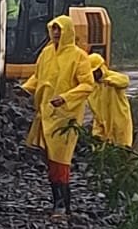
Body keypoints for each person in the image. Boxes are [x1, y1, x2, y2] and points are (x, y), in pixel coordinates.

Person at [21, 15, 94, 216]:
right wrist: (26, 88)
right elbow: (38, 76)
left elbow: (87, 85)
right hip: (45, 113)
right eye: (53, 29)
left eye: (59, 29)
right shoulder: (46, 54)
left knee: (61, 158)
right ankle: (59, 201)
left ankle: (61, 203)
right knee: (50, 157)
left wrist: (65, 98)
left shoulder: (79, 56)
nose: (55, 33)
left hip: (66, 117)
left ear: (67, 31)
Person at [88, 54, 134, 147]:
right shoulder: (91, 86)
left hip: (119, 122)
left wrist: (109, 81)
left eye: (96, 71)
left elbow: (125, 81)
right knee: (99, 148)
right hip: (101, 124)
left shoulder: (112, 77)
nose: (94, 75)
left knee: (122, 148)